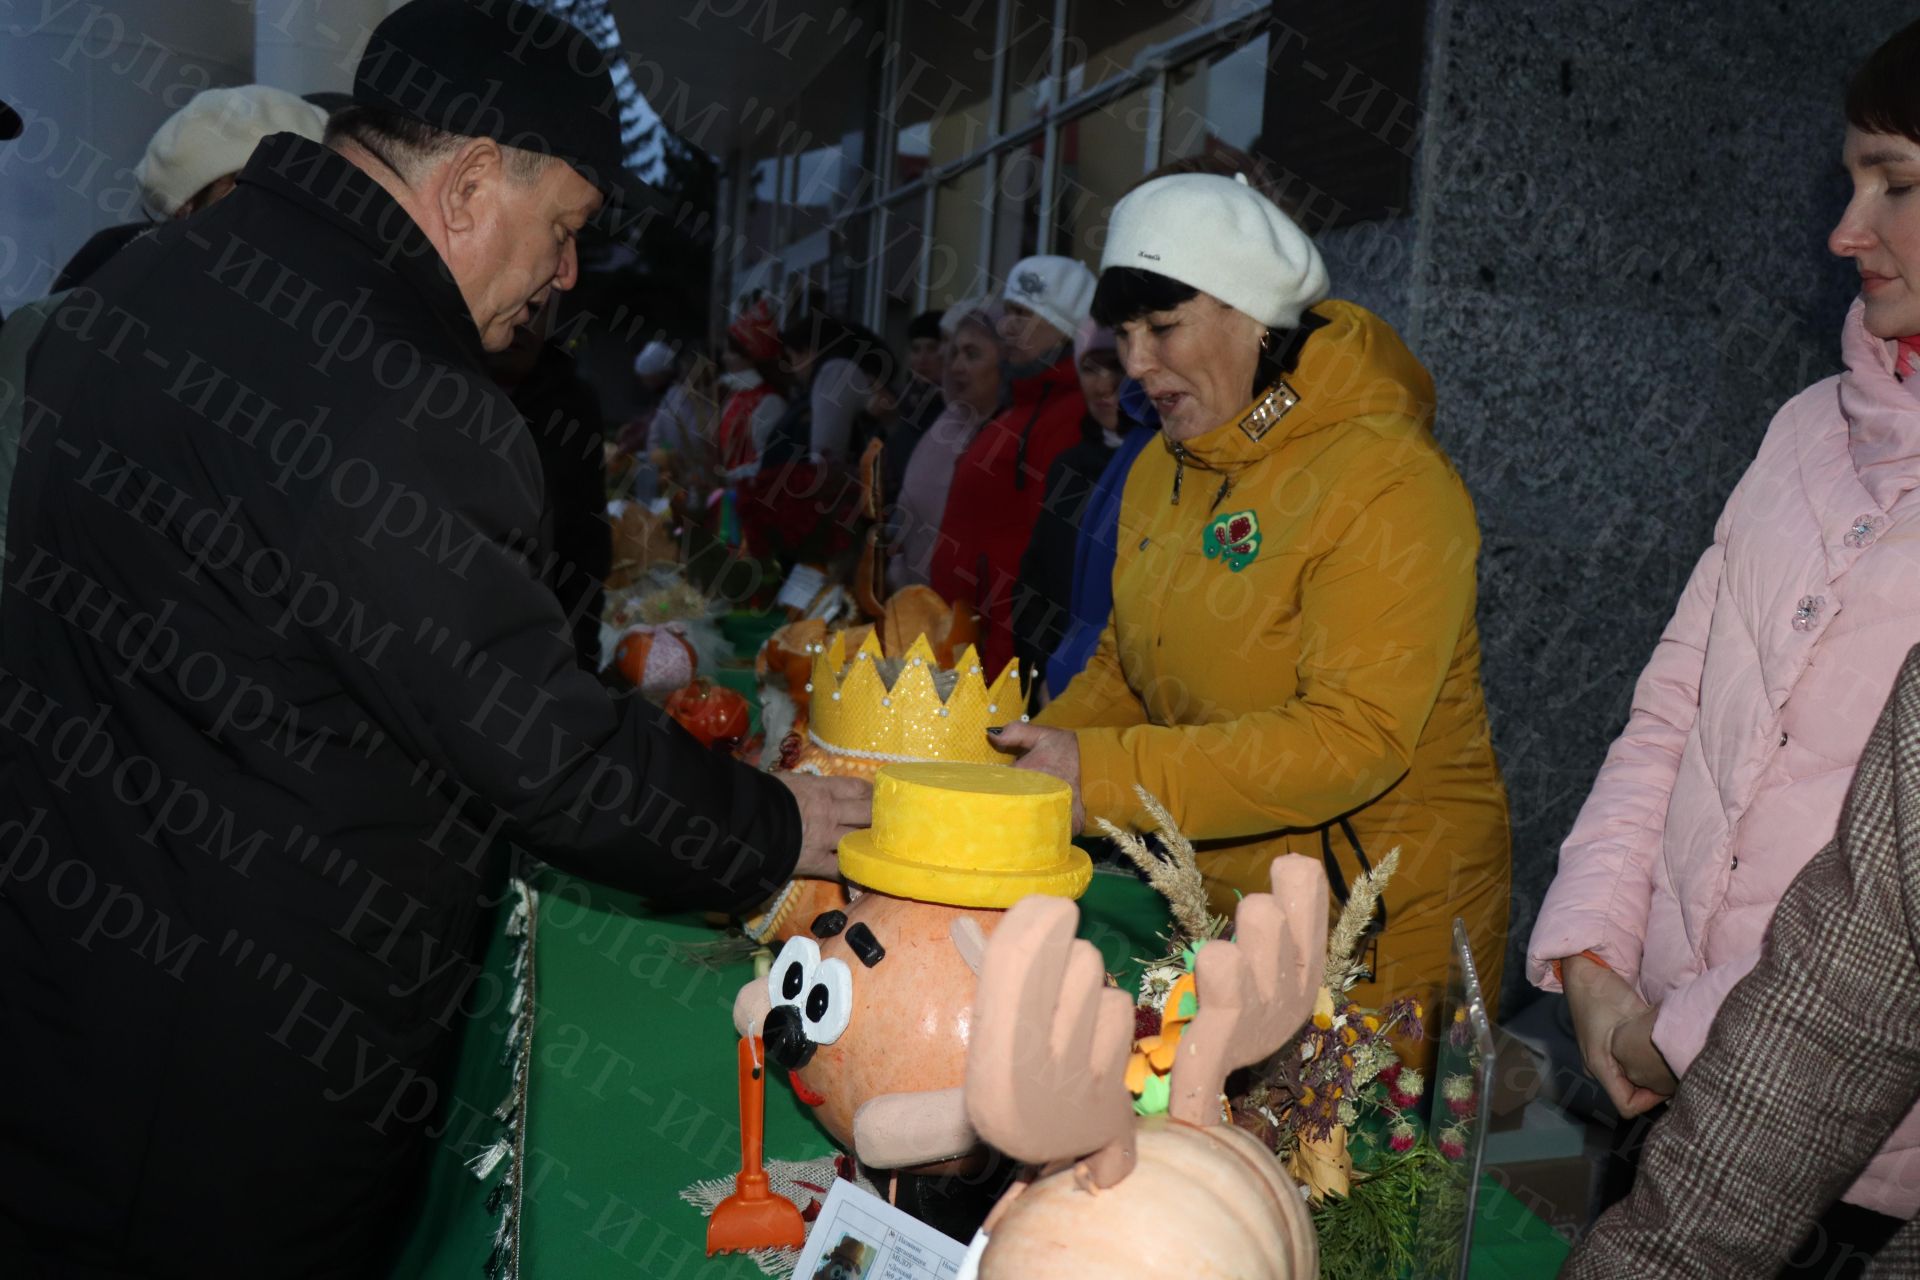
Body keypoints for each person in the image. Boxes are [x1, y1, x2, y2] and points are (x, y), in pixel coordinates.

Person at [0, 2, 867, 1272]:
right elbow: (540, 747)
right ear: (467, 185)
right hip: (240, 1075)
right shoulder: (396, 388)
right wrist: (774, 822)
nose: (569, 274)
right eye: (566, 228)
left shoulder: (136, 284)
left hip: (70, 992)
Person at [1526, 16, 1920, 1246]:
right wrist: (1595, 953)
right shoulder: (1807, 425)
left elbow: (1885, 921)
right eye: (1849, 177)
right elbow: (1675, 707)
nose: (1844, 229)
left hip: (1849, 1160)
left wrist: (1684, 1026)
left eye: (1896, 183)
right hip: (1647, 1072)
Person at [993, 173, 1510, 1029]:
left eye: (1163, 328)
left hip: (1379, 932)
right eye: (1123, 334)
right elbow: (1131, 666)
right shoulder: (1167, 461)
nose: (1136, 364)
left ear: (1256, 318)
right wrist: (1030, 770)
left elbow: (1354, 740)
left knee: (1345, 1163)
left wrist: (1105, 776)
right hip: (1222, 899)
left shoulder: (1390, 480)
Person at [1561, 648, 1920, 1280]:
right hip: (1655, 1056)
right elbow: (1667, 721)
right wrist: (1592, 955)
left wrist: (1679, 1032)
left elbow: (1859, 969)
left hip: (1848, 1145)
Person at [1, 84, 332, 603]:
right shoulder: (62, 330)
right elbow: (9, 528)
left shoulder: (337, 345)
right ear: (186, 211)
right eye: (257, 194)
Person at [929, 256, 1094, 672]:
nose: (1009, 327)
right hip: (964, 644)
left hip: (998, 655)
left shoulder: (1068, 416)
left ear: (1068, 326)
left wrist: (1002, 668)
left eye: (1027, 315)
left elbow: (1040, 560)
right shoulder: (1019, 406)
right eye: (1010, 313)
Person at [1013, 319, 1135, 701]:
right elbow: (1037, 582)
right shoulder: (1071, 466)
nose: (1103, 384)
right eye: (1089, 368)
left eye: (1115, 366)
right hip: (1060, 686)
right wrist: (1041, 673)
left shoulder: (1163, 461)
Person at [489, 308, 611, 671]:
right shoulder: (441, 388)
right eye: (515, 300)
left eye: (539, 309)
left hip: (550, 644)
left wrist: (580, 662)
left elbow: (587, 541)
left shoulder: (574, 403)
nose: (524, 320)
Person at [887, 300, 1008, 592]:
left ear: (1004, 360)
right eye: (954, 352)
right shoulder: (947, 421)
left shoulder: (1008, 434)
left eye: (971, 354)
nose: (955, 366)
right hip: (912, 604)